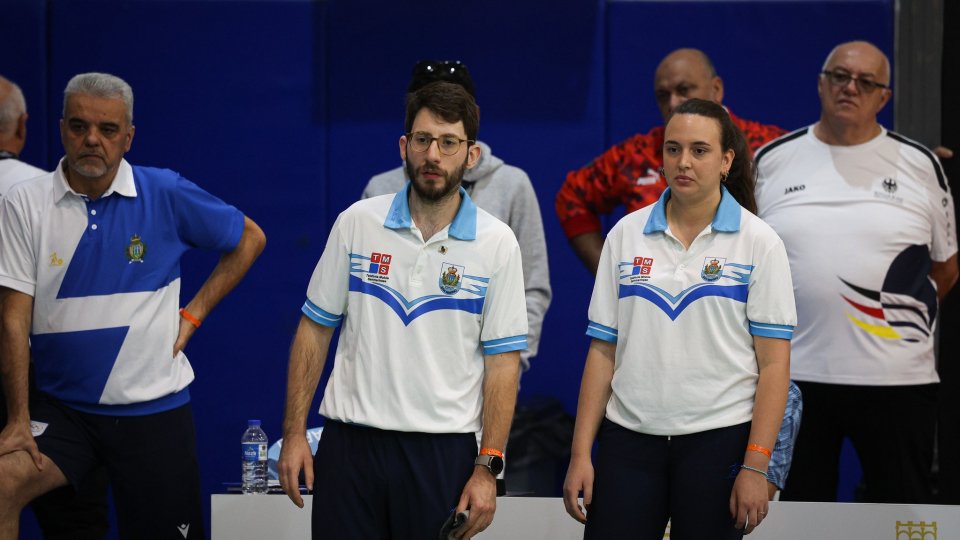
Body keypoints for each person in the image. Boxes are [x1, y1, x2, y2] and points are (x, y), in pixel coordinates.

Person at [0, 72, 266, 539]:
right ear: (61, 128)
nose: (91, 140)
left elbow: (249, 238)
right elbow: (13, 317)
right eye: (79, 126)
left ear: (128, 137)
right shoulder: (24, 202)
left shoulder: (163, 191)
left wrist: (194, 314)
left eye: (107, 130)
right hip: (64, 413)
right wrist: (18, 419)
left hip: (154, 414)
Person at [278, 81, 527, 539]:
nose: (433, 154)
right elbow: (314, 330)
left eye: (449, 142)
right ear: (404, 146)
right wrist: (294, 434)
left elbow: (503, 364)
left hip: (443, 455)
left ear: (471, 155)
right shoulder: (357, 222)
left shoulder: (498, 243)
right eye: (422, 140)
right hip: (350, 449)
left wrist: (488, 468)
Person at [562, 99, 796, 539]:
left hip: (720, 442)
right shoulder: (624, 235)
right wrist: (580, 454)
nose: (683, 162)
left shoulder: (759, 242)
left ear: (727, 160)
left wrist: (756, 463)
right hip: (627, 442)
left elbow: (775, 366)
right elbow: (602, 350)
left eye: (700, 150)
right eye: (673, 149)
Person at [756, 41, 958, 503]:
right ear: (820, 82)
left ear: (883, 97)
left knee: (901, 511)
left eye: (866, 82)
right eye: (840, 76)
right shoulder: (773, 159)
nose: (851, 87)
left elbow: (945, 269)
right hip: (792, 377)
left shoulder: (919, 164)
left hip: (897, 382)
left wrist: (892, 324)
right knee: (794, 520)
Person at [363, 59, 551, 373]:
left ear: (472, 116)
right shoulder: (379, 191)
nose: (434, 147)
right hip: (392, 380)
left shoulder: (512, 184)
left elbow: (532, 289)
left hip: (480, 379)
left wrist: (509, 370)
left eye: (448, 115)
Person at [556, 47, 787, 276]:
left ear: (716, 89)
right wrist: (612, 277)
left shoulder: (768, 146)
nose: (673, 103)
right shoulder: (637, 154)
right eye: (663, 95)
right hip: (654, 300)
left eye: (684, 90)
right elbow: (572, 196)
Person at [0, 74, 113, 540]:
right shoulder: (47, 195)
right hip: (50, 384)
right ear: (25, 127)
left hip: (41, 386)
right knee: (73, 521)